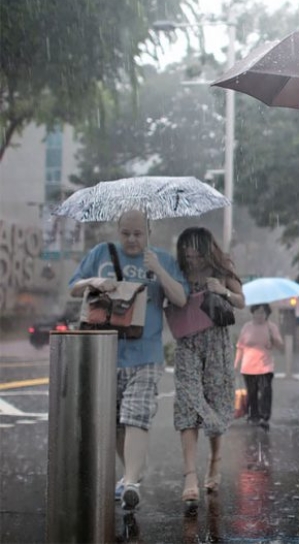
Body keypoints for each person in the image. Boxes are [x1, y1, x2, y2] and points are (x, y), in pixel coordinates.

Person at [68, 209, 188, 511]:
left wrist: (159, 271)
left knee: (136, 414)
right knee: (115, 423)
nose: (132, 239)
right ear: (117, 230)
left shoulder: (161, 259)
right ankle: (133, 470)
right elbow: (73, 288)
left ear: (149, 231)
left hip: (146, 354)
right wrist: (94, 281)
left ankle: (131, 483)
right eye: (126, 233)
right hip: (105, 352)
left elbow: (181, 298)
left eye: (138, 233)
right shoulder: (101, 254)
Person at [172, 226, 245, 508]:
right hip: (187, 342)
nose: (191, 257)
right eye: (186, 252)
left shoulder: (222, 269)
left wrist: (223, 291)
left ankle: (215, 459)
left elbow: (241, 301)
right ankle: (190, 475)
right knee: (187, 402)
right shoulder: (179, 272)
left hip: (216, 342)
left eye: (195, 252)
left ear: (206, 249)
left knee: (215, 400)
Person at [235, 304, 283, 428]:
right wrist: (236, 364)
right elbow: (240, 347)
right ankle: (253, 415)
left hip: (265, 367)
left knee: (265, 392)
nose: (260, 315)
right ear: (253, 313)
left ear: (267, 314)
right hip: (248, 367)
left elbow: (280, 345)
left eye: (262, 312)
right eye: (257, 312)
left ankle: (264, 416)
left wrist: (273, 337)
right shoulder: (247, 327)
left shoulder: (271, 327)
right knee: (252, 393)